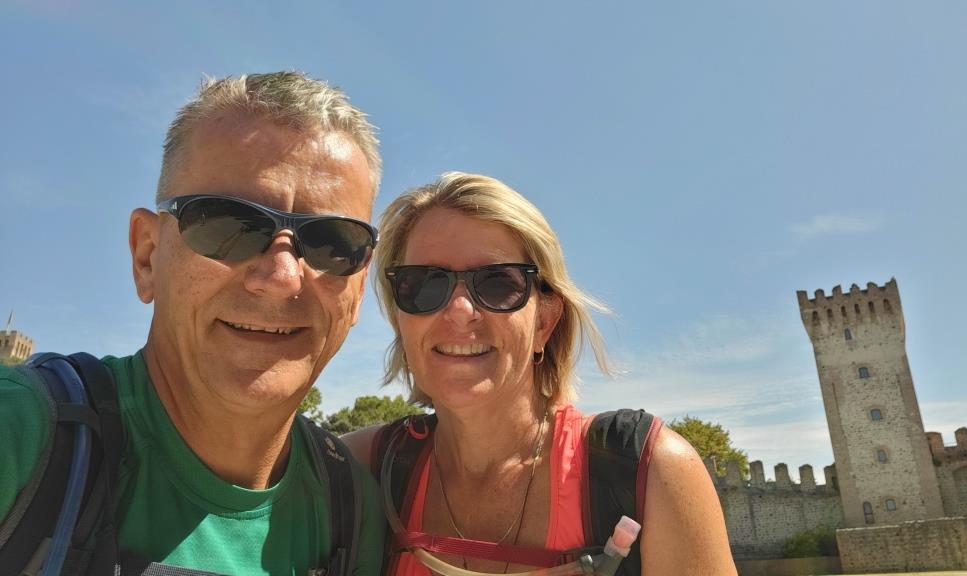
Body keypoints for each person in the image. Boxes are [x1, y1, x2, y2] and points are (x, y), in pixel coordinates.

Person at [0, 72, 385, 575]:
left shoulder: (353, 510)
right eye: (227, 225)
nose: (281, 277)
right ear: (147, 256)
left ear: (358, 292)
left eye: (334, 244)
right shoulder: (21, 432)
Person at [343, 172, 736, 575]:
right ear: (401, 320)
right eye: (424, 284)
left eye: (497, 284)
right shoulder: (354, 472)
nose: (459, 311)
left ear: (544, 323)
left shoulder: (653, 476)